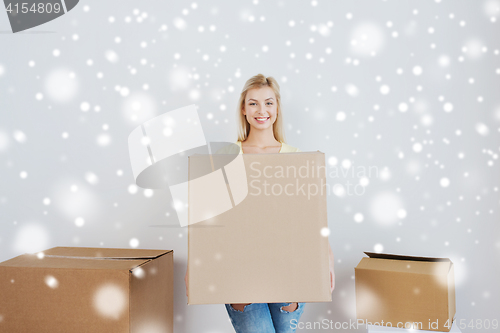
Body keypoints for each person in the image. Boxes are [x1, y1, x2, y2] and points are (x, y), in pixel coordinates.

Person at [185, 73, 335, 333]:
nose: (261, 110)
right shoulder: (225, 157)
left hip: (291, 268)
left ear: (277, 108)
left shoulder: (297, 159)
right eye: (253, 103)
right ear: (243, 109)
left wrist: (327, 261)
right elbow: (206, 219)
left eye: (268, 102)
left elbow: (311, 219)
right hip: (240, 270)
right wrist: (195, 265)